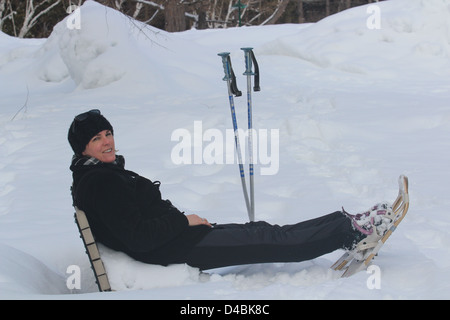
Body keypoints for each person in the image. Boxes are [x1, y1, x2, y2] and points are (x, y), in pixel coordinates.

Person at [68, 109, 394, 270]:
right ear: (83, 148)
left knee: (263, 230)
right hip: (174, 249)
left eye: (107, 133)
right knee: (268, 240)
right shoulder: (101, 182)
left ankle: (346, 222)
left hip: (178, 239)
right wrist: (185, 222)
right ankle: (350, 233)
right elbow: (138, 236)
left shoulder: (99, 175)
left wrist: (185, 223)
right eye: (96, 139)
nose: (107, 141)